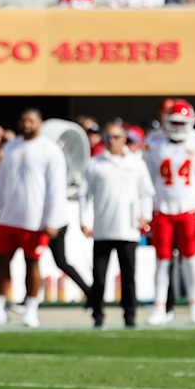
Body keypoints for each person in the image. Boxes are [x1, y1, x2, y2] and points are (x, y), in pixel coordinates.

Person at [0, 109, 67, 329]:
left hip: (35, 218)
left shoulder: (50, 150)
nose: (27, 124)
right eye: (24, 120)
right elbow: (0, 181)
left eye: (32, 121)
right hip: (9, 216)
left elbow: (56, 187)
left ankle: (31, 307)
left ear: (40, 123)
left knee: (32, 263)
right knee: (2, 261)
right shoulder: (11, 147)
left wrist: (52, 220)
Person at [143, 99, 195, 325]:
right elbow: (146, 181)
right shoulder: (154, 141)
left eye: (181, 122)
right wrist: (146, 211)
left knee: (191, 260)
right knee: (162, 260)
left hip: (188, 209)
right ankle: (160, 307)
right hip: (162, 208)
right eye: (173, 121)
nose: (177, 126)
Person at [81, 120, 154, 327]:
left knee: (129, 276)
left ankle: (129, 315)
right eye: (108, 137)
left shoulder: (136, 164)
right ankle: (97, 314)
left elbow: (146, 193)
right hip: (103, 228)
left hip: (128, 228)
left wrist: (145, 215)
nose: (111, 141)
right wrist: (84, 221)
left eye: (115, 137)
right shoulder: (95, 164)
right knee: (99, 276)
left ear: (124, 139)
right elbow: (85, 195)